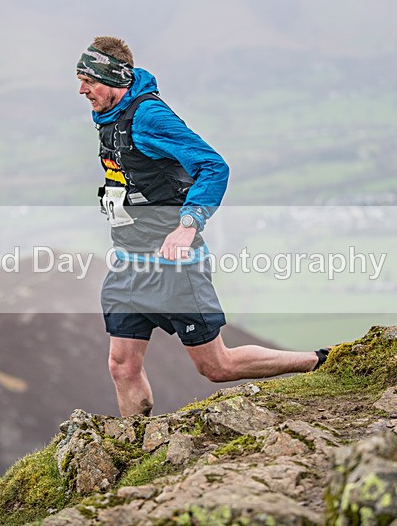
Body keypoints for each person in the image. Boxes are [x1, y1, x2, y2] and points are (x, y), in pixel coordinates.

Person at [77, 36, 329, 417]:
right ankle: (133, 448)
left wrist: (187, 225)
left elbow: (213, 166)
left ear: (114, 78)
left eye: (88, 80)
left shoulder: (149, 117)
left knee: (216, 366)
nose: (81, 90)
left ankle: (317, 362)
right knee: (122, 365)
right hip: (128, 263)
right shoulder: (110, 118)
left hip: (174, 266)